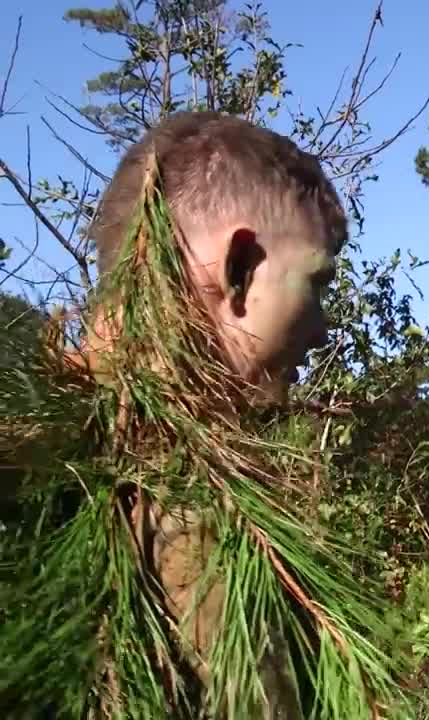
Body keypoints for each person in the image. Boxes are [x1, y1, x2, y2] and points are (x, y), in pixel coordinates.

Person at [0, 112, 398, 718]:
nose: (321, 330)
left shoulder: (47, 448)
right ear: (237, 268)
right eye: (314, 285)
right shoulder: (187, 522)